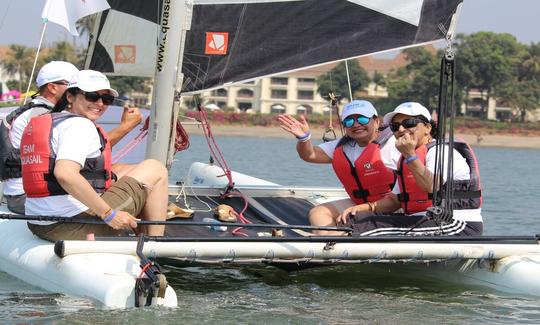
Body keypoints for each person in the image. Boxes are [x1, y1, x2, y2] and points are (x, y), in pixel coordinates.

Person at [20, 70, 167, 241]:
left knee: (126, 170)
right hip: (72, 226)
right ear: (70, 96)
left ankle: (142, 233)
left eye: (106, 99)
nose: (100, 103)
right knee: (155, 168)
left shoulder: (54, 120)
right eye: (91, 96)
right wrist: (109, 214)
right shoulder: (80, 126)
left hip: (40, 223)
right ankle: (156, 244)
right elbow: (65, 174)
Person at [1, 61, 142, 214]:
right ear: (53, 88)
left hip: (22, 194)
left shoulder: (34, 113)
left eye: (106, 98)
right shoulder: (44, 116)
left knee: (121, 170)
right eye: (90, 93)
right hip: (31, 198)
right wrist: (125, 127)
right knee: (141, 174)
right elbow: (83, 155)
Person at [337, 102, 483, 236]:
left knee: (365, 227)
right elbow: (394, 201)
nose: (401, 129)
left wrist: (410, 155)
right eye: (395, 126)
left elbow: (431, 186)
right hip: (421, 221)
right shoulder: (407, 158)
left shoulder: (440, 152)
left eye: (409, 123)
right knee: (356, 220)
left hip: (455, 224)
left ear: (428, 128)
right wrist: (363, 208)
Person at [278, 100, 401, 235]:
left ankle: (339, 242)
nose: (356, 124)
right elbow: (309, 154)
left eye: (362, 119)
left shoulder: (396, 144)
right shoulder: (342, 147)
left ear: (376, 121)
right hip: (359, 203)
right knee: (318, 213)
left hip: (393, 205)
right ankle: (332, 246)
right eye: (349, 121)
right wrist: (304, 138)